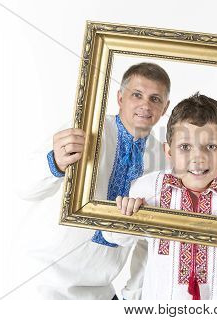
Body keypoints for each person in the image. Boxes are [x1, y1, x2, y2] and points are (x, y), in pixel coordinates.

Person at [101, 93, 217, 299]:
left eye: (211, 147)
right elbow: (114, 237)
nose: (198, 158)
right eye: (185, 147)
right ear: (169, 152)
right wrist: (125, 213)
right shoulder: (147, 188)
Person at [15, 62, 171, 299]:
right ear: (120, 97)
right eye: (137, 95)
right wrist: (55, 162)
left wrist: (134, 294)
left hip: (100, 289)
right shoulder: (84, 131)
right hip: (42, 280)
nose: (145, 105)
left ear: (165, 107)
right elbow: (24, 187)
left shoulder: (163, 161)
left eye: (155, 99)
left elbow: (150, 240)